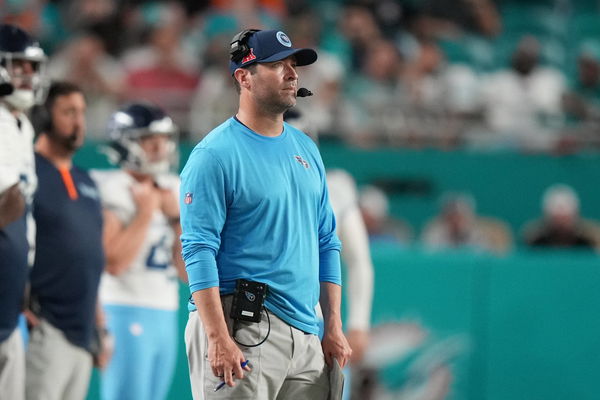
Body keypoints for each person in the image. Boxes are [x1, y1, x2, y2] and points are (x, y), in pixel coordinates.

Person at [180, 29, 352, 400]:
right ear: (244, 76)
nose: (292, 73)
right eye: (277, 65)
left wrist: (333, 324)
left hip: (307, 332)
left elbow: (326, 240)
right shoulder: (214, 154)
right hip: (241, 326)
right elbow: (197, 249)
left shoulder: (306, 148)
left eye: (293, 65)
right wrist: (217, 337)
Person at [91, 102, 186, 400]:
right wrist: (146, 213)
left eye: (164, 139)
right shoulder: (111, 187)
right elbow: (114, 262)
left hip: (166, 312)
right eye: (149, 140)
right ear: (125, 143)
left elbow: (189, 272)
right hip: (123, 308)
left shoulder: (176, 186)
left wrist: (176, 221)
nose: (160, 148)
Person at [26, 81, 107, 400]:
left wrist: (99, 328)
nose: (78, 122)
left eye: (82, 113)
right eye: (68, 112)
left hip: (82, 334)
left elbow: (92, 261)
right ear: (44, 117)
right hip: (43, 329)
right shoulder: (26, 172)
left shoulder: (86, 180)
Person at [0, 23, 46, 400]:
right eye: (20, 66)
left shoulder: (21, 124)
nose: (29, 76)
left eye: (33, 67)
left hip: (10, 293)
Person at [523, 184, 600, 249]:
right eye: (556, 219)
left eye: (565, 218)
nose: (561, 224)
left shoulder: (590, 241)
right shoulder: (534, 241)